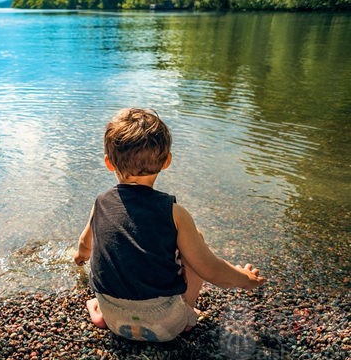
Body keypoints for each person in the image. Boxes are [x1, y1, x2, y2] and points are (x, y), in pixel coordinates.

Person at [74, 108, 266, 342]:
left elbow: (85, 245)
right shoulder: (174, 213)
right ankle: (188, 315)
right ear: (167, 161)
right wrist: (246, 279)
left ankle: (99, 311)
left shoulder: (101, 203)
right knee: (194, 239)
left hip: (114, 318)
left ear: (108, 163)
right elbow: (211, 270)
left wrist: (80, 258)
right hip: (166, 324)